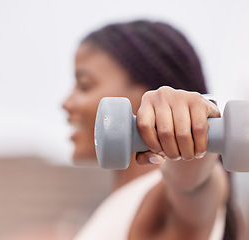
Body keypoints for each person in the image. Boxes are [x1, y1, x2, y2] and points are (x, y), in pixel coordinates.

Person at [62, 20, 238, 240]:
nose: (66, 103)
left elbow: (192, 186)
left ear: (150, 93)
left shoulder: (162, 199)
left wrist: (192, 150)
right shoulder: (121, 204)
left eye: (85, 85)